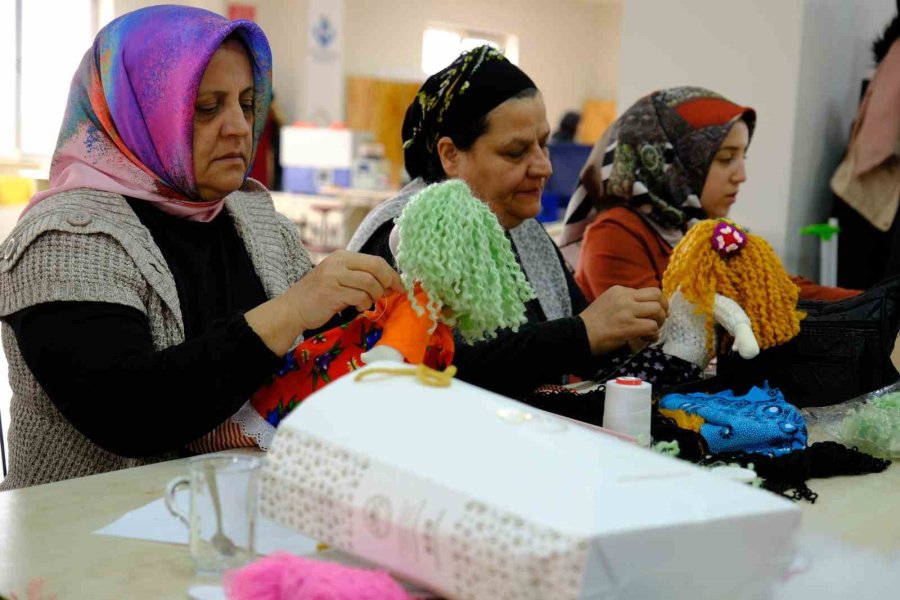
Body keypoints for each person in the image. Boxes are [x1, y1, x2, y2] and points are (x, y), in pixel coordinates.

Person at [0, 6, 400, 490]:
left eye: (247, 103)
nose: (239, 127)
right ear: (140, 114)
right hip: (87, 542)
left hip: (240, 519)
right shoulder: (65, 237)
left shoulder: (254, 219)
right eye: (207, 107)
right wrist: (291, 310)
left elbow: (323, 349)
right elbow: (128, 412)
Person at [347, 46, 668, 397]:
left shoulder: (520, 227)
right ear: (451, 155)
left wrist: (625, 335)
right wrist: (582, 333)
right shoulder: (407, 231)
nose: (544, 167)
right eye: (515, 152)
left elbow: (578, 345)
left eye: (543, 145)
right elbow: (439, 367)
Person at [561, 86, 860, 303]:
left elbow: (781, 289)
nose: (741, 175)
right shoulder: (617, 233)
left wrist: (876, 300)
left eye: (744, 157)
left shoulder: (705, 231)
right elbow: (657, 335)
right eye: (726, 159)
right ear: (674, 164)